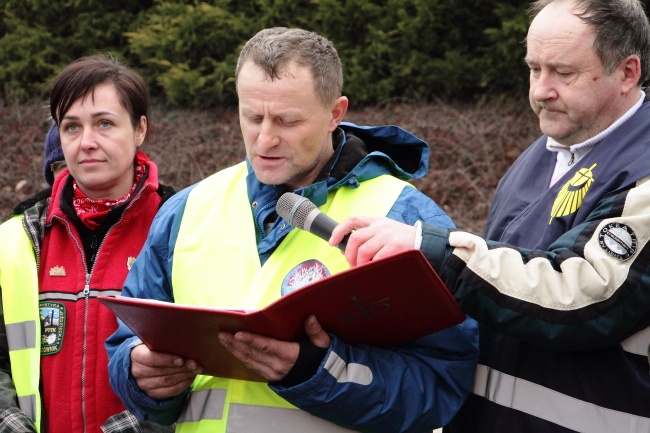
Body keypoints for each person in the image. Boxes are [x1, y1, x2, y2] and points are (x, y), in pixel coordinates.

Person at [105, 27, 479, 433]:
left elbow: (442, 383)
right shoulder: (186, 210)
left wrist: (317, 370)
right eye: (252, 117)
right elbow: (127, 345)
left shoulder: (407, 219)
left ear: (336, 113)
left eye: (287, 120)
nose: (265, 138)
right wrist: (140, 375)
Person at [329, 0, 650, 432]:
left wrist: (437, 252)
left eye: (563, 72)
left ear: (628, 72)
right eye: (534, 69)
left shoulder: (643, 168)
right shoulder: (540, 155)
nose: (540, 90)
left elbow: (585, 294)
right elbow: (499, 290)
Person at [0, 54, 175, 432]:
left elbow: (199, 366)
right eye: (72, 127)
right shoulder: (18, 238)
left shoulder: (182, 229)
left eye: (105, 124)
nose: (87, 142)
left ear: (140, 128)